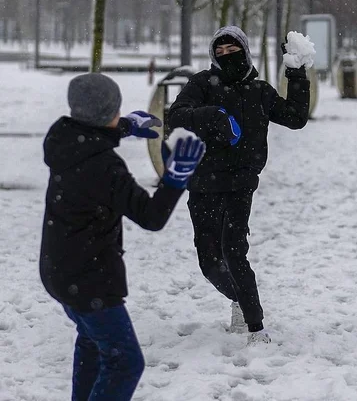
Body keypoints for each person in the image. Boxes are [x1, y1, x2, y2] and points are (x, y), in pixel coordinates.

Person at [40, 73, 206, 400]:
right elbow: (151, 216)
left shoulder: (62, 139)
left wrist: (125, 125)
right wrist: (176, 179)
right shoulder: (105, 167)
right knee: (126, 363)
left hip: (58, 271)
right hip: (90, 280)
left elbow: (90, 131)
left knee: (91, 341)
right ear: (107, 112)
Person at [167, 26, 310, 345]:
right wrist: (212, 116)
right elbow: (176, 117)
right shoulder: (202, 84)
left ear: (244, 52)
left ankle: (256, 328)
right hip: (203, 182)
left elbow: (295, 117)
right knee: (209, 262)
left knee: (234, 251)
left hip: (241, 183)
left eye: (232, 51)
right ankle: (239, 299)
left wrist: (296, 74)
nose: (226, 57)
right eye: (219, 52)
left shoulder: (260, 90)